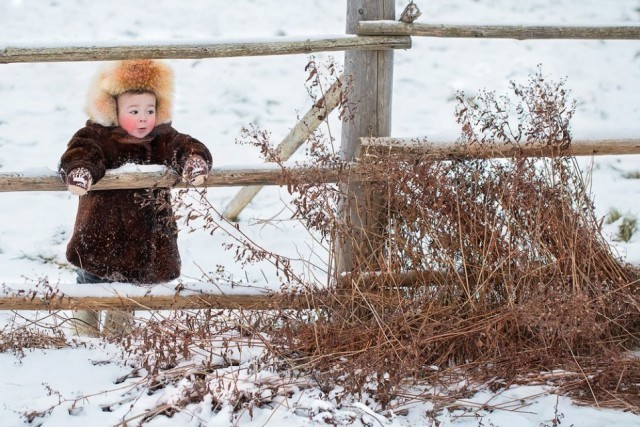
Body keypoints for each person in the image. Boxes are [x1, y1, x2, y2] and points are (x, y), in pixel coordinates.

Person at [59, 59, 213, 336]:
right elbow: (82, 151)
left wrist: (193, 160)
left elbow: (184, 145)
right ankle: (82, 336)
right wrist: (80, 170)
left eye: (150, 110)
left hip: (142, 242)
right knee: (89, 286)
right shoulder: (97, 136)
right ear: (112, 109)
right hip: (98, 233)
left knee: (127, 296)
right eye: (134, 111)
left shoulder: (162, 138)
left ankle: (119, 341)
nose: (143, 118)